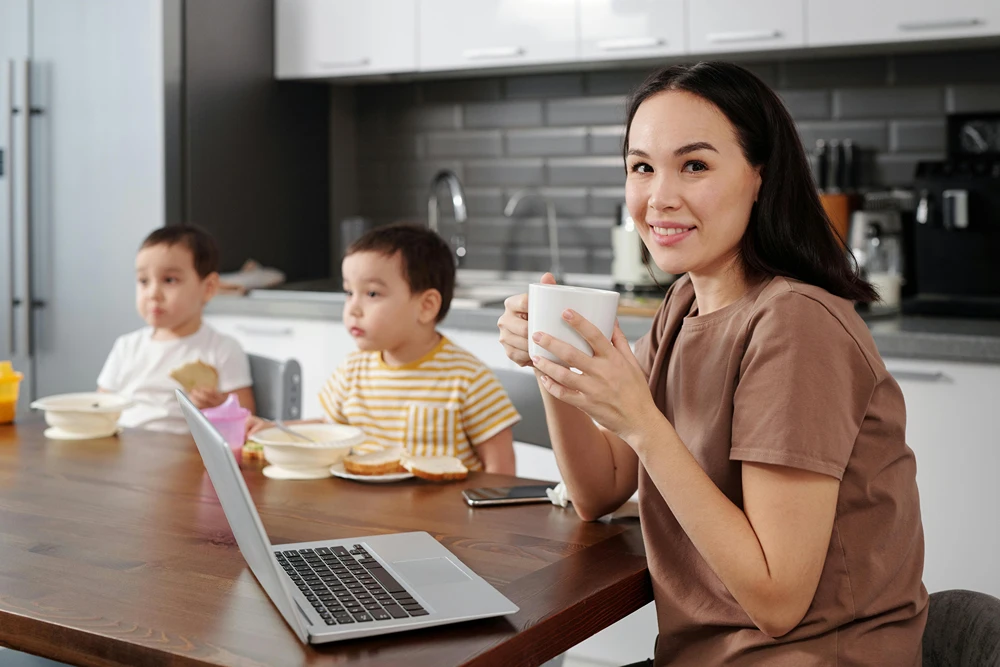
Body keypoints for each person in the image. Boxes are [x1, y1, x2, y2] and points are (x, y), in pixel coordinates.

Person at [497, 62, 927, 665]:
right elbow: (598, 490)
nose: (659, 197)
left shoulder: (795, 323)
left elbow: (777, 600)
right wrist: (556, 363)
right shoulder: (686, 302)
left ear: (761, 176)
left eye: (694, 165)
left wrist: (642, 422)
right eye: (642, 167)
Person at [249, 223, 519, 475]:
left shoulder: (469, 379)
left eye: (372, 294)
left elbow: (501, 471)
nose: (353, 308)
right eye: (348, 292)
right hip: (365, 514)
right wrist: (273, 429)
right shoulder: (352, 370)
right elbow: (330, 430)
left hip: (445, 524)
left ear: (426, 307)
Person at [98, 225, 254, 434]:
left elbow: (245, 419)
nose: (153, 293)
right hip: (124, 451)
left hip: (187, 458)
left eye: (169, 280)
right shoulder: (126, 347)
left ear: (208, 288)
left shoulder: (222, 349)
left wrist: (220, 406)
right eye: (143, 281)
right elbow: (100, 407)